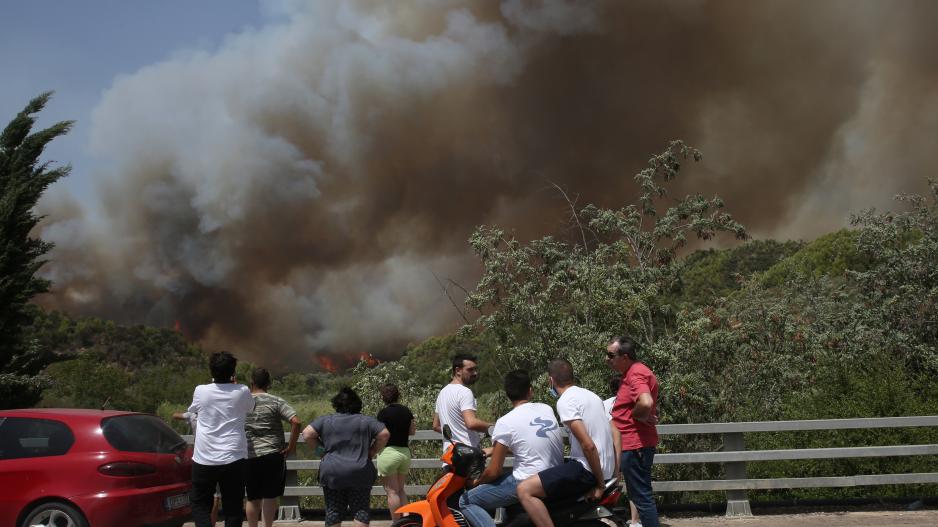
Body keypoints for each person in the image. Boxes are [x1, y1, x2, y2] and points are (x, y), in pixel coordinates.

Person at [516, 359, 617, 527]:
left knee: (524, 490)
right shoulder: (592, 396)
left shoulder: (565, 401)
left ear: (551, 380)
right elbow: (614, 434)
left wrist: (600, 484)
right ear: (572, 376)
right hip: (604, 469)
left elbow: (588, 445)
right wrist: (615, 472)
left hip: (587, 470)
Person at [459, 370, 563, 527]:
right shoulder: (545, 408)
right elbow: (527, 444)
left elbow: (494, 471)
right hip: (554, 474)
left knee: (466, 501)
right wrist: (493, 450)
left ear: (508, 395)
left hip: (527, 481)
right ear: (530, 391)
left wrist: (476, 482)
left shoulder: (505, 422)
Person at [303, 387, 390, 527]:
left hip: (332, 472)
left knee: (333, 511)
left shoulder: (326, 420)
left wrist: (322, 452)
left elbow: (307, 434)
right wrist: (372, 451)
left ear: (336, 404)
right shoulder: (366, 421)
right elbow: (384, 434)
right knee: (360, 510)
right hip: (360, 471)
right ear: (357, 404)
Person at [187, 351, 256, 527]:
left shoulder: (200, 391)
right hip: (234, 458)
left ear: (211, 371)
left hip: (204, 458)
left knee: (200, 505)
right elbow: (251, 407)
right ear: (233, 372)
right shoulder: (242, 391)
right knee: (233, 508)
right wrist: (236, 385)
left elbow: (193, 409)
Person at [607, 336, 660, 527]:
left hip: (634, 444)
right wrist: (642, 415)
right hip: (633, 443)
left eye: (611, 355)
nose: (607, 359)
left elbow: (645, 402)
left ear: (625, 356)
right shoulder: (633, 373)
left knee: (642, 497)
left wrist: (636, 415)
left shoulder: (636, 373)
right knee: (639, 496)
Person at [244, 368, 302, 527]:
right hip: (272, 454)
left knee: (252, 498)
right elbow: (296, 422)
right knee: (270, 497)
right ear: (269, 383)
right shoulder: (276, 401)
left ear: (252, 382)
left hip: (249, 455)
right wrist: (290, 446)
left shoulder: (242, 402)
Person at [433, 353, 492, 453]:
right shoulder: (464, 392)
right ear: (458, 371)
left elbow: (435, 425)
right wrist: (494, 428)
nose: (475, 373)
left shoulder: (442, 393)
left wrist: (455, 434)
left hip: (449, 455)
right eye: (470, 370)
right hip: (467, 457)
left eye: (475, 369)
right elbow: (471, 423)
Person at [603, 374, 641, 527]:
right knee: (634, 485)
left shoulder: (604, 404)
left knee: (609, 484)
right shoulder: (632, 403)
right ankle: (635, 521)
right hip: (631, 446)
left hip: (611, 449)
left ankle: (607, 516)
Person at [172, 411, 221, 526]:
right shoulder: (216, 415)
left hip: (200, 459)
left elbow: (174, 415)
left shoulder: (193, 417)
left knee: (201, 498)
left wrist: (188, 413)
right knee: (216, 496)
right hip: (218, 458)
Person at [375, 383, 416, 520]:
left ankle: (396, 523)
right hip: (405, 453)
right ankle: (406, 520)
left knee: (392, 492)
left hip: (388, 453)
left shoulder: (383, 413)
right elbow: (412, 431)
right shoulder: (406, 411)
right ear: (398, 395)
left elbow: (380, 434)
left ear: (383, 398)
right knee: (400, 490)